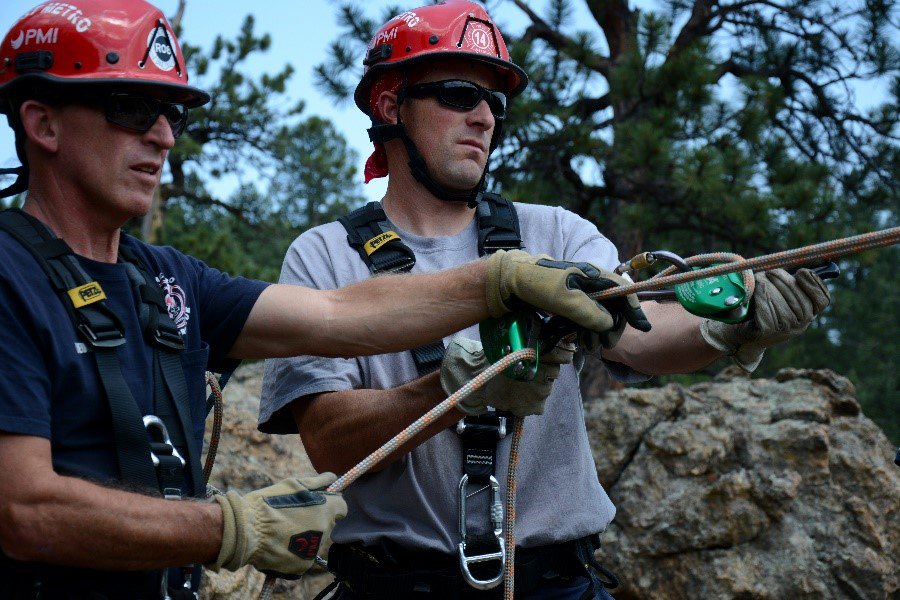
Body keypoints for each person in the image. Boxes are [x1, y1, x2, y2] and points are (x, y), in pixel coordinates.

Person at [0, 1, 639, 598]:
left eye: (174, 114)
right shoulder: (9, 276)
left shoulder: (166, 280)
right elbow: (21, 509)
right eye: (131, 108)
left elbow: (340, 315)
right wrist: (231, 529)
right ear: (42, 122)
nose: (164, 137)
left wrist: (500, 279)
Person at [259, 2, 832, 599]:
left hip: (558, 582)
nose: (484, 117)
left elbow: (641, 334)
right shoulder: (325, 257)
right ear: (388, 105)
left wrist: (731, 321)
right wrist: (451, 392)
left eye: (495, 103)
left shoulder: (556, 235)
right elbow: (329, 442)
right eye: (459, 95)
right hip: (393, 585)